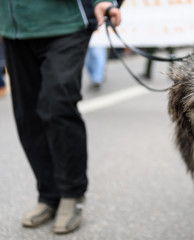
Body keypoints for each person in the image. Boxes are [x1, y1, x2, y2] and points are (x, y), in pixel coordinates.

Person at [0, 0, 121, 234]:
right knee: (28, 114)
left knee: (57, 105)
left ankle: (72, 193)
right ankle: (48, 194)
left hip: (67, 22)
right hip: (14, 26)